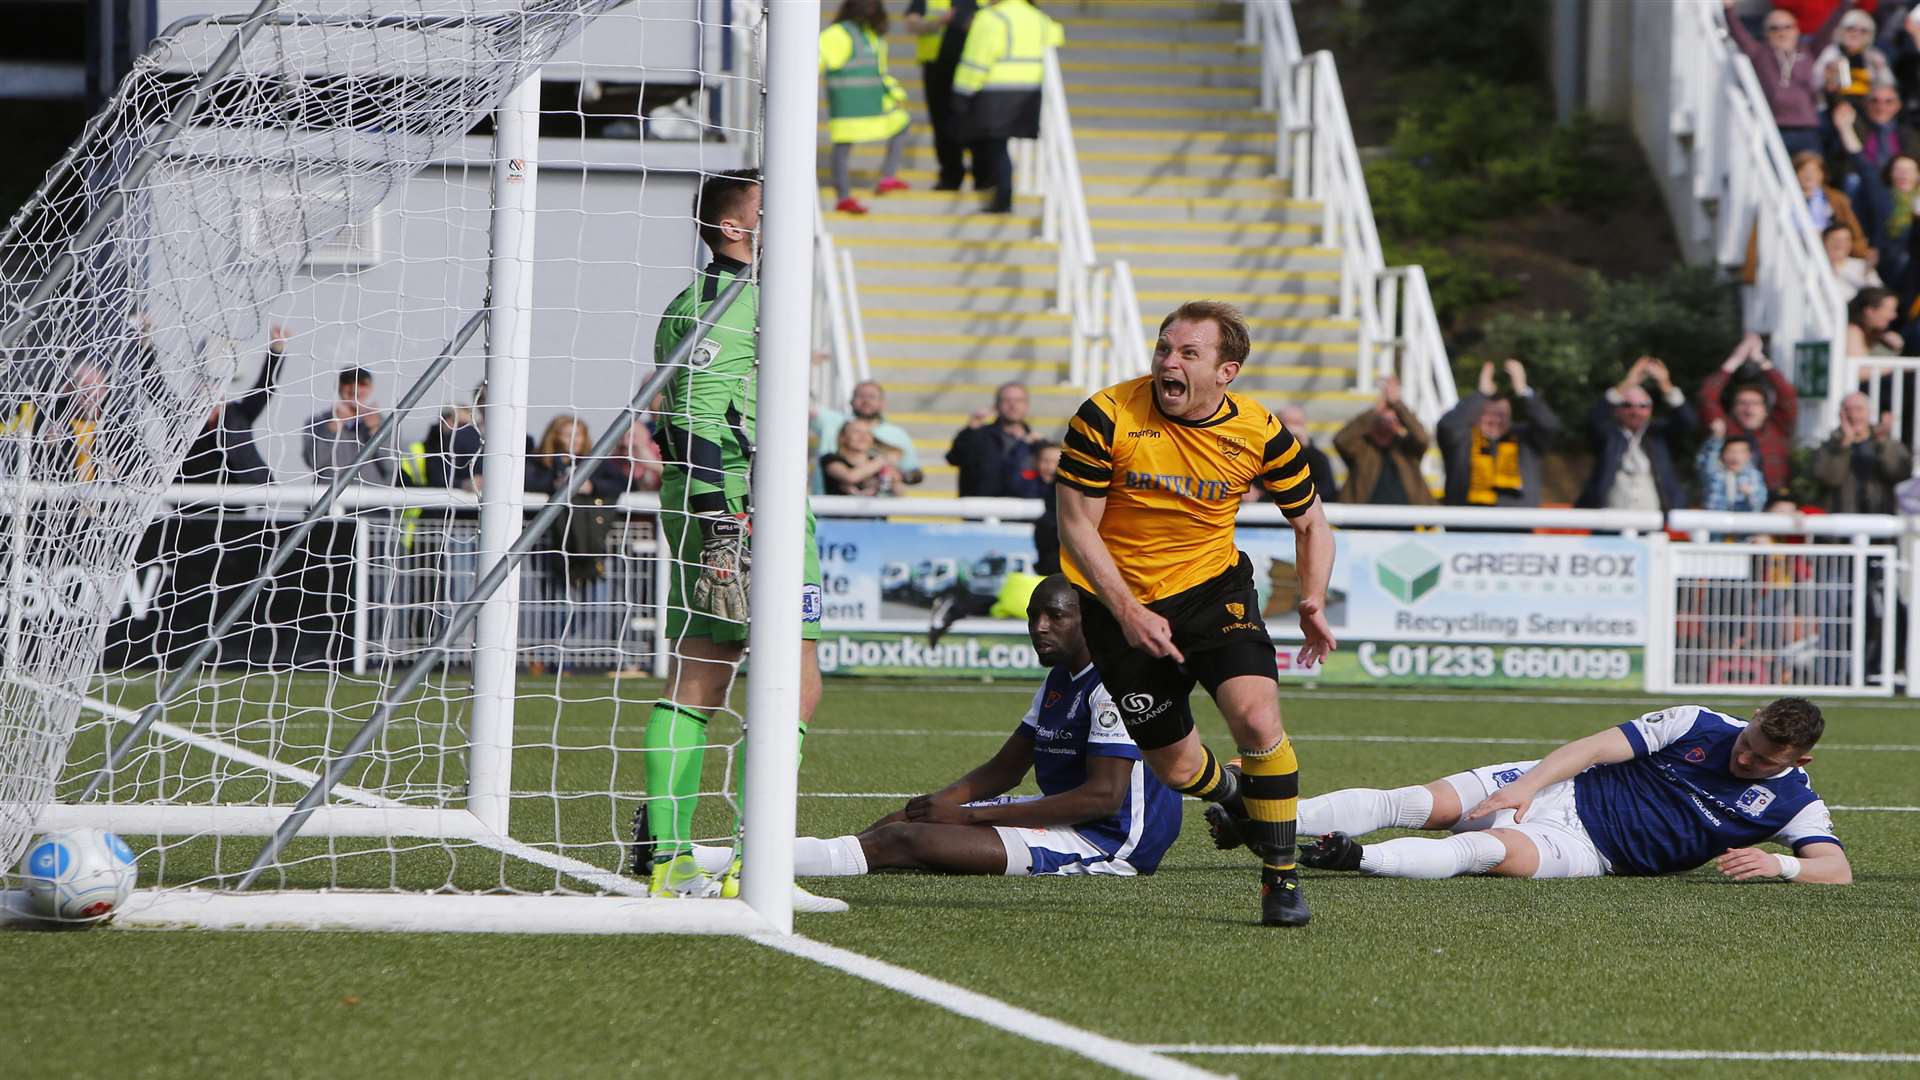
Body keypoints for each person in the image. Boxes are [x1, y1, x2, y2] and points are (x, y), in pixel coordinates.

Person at [1056, 299, 1336, 927]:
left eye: (1188, 353)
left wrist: (1313, 598)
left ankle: (1280, 879)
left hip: (1212, 591)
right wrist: (1127, 609)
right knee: (1177, 767)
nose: (1168, 363)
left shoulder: (1260, 431)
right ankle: (1236, 795)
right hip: (1115, 603)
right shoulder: (1106, 416)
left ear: (1226, 372)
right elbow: (1076, 525)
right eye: (1163, 348)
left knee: (1258, 720)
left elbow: (1313, 522)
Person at [640, 576, 1181, 880]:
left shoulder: (1114, 681)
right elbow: (1007, 766)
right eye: (1033, 616)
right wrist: (942, 802)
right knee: (903, 820)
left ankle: (716, 865)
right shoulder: (1063, 678)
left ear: (1090, 621)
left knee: (904, 838)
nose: (1039, 627)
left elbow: (1103, 799)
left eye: (1055, 617)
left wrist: (962, 816)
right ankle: (696, 856)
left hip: (1110, 844)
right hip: (1071, 822)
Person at [643, 169, 842, 912]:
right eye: (768, 211)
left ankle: (668, 856)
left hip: (735, 500)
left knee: (702, 674)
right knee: (794, 674)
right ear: (733, 228)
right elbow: (690, 412)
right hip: (744, 504)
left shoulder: (706, 300)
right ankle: (750, 865)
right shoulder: (728, 304)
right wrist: (720, 521)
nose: (783, 221)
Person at [1276, 699, 1849, 886]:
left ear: (1799, 760)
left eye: (1760, 760)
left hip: (1590, 853)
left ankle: (1357, 858)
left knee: (1491, 850)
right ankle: (1270, 817)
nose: (1742, 758)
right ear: (1750, 719)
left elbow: (1836, 869)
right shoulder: (1698, 723)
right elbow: (1594, 748)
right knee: (1416, 802)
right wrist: (1526, 785)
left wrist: (1781, 866)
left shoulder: (1797, 801)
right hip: (1560, 789)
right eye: (1746, 742)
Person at [950, 0, 1063, 213]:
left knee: (994, 144)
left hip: (995, 90)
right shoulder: (1037, 17)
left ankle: (1002, 195)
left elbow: (976, 59)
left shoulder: (990, 18)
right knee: (998, 144)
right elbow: (1057, 35)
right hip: (1029, 89)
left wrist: (962, 91)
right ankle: (1000, 192)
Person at [1723, 0, 1853, 156]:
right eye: (1774, 28)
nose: (1782, 32)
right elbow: (1739, 34)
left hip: (1807, 129)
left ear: (1797, 30)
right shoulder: (1760, 54)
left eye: (1787, 27)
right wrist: (1728, 9)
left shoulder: (1809, 51)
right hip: (1774, 128)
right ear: (1766, 33)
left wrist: (1846, 4)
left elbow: (1829, 28)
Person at [819, 0, 911, 215]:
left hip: (867, 104)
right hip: (850, 105)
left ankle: (883, 179)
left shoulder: (869, 35)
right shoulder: (840, 35)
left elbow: (878, 73)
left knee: (901, 124)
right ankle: (845, 195)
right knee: (843, 148)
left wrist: (895, 94)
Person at [1575, 356, 1697, 513]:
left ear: (1651, 409)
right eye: (1627, 405)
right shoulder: (1608, 434)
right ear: (1617, 410)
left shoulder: (1658, 434)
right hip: (1610, 519)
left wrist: (1666, 385)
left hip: (1652, 519)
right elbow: (1594, 418)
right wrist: (1628, 383)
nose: (1636, 411)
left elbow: (1688, 422)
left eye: (1643, 406)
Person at [1436, 359, 1560, 508]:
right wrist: (1481, 394)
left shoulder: (1526, 439)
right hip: (1467, 525)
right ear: (1476, 415)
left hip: (1517, 526)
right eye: (1489, 414)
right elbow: (1448, 425)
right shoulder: (1462, 440)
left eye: (1502, 415)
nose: (1495, 420)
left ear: (1511, 416)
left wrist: (1523, 390)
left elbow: (1548, 425)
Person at [179, 324, 286, 485]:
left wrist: (276, 350)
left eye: (216, 384)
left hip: (231, 502)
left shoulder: (237, 415)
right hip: (188, 503)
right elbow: (156, 388)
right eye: (205, 383)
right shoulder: (182, 418)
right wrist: (144, 346)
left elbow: (265, 388)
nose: (210, 392)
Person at [1699, 332, 1800, 491]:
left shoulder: (1778, 428)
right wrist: (1736, 359)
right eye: (1742, 403)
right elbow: (1707, 396)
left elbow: (1787, 394)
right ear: (1734, 408)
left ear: (1765, 410)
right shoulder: (1725, 430)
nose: (1748, 408)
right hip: (1734, 505)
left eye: (1754, 403)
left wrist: (1760, 359)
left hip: (1773, 502)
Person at [903, 0, 981, 192]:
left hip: (974, 68)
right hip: (938, 67)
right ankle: (951, 176)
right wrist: (939, 21)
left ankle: (983, 175)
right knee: (942, 123)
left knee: (976, 123)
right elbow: (911, 23)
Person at [1332, 374, 1433, 506]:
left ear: (1400, 424)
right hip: (1364, 520)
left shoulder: (1407, 448)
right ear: (1374, 422)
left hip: (1408, 521)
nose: (1389, 423)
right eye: (1384, 419)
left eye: (1394, 419)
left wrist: (1398, 405)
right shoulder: (1362, 447)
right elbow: (1341, 439)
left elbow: (1422, 438)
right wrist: (1376, 411)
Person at [813, 380, 923, 493]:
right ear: (842, 436)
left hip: (875, 508)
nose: (866, 401)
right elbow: (851, 477)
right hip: (823, 506)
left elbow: (914, 474)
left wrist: (897, 477)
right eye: (860, 396)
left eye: (872, 396)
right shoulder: (832, 423)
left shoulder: (897, 435)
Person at [1812, 390, 1913, 512]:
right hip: (1840, 523)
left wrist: (1884, 443)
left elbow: (1900, 472)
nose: (1853, 415)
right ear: (1840, 414)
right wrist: (1844, 444)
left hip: (1879, 520)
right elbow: (1831, 479)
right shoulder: (1829, 446)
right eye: (1848, 410)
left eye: (1859, 409)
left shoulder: (1884, 442)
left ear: (1869, 412)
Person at [302, 367, 395, 485]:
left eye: (362, 383)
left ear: (371, 388)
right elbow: (313, 462)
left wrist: (376, 430)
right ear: (338, 386)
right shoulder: (318, 422)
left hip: (372, 501)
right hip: (330, 500)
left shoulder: (388, 424)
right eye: (348, 382)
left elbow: (392, 467)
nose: (355, 389)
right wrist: (332, 428)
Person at [946, 381, 1038, 496]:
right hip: (981, 509)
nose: (1013, 406)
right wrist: (971, 430)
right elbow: (953, 459)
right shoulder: (977, 435)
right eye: (1007, 400)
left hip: (1023, 510)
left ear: (1027, 406)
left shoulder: (1036, 443)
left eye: (1019, 400)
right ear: (996, 406)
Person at [1816, 8, 1894, 110]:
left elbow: (1887, 86)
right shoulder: (1830, 53)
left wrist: (1879, 71)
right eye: (1850, 28)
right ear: (1840, 30)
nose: (1856, 34)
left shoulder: (1875, 56)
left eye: (1863, 31)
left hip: (1868, 106)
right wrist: (1827, 78)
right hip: (1834, 104)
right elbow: (1815, 82)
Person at [1698, 420, 1771, 513]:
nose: (1735, 456)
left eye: (1741, 452)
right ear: (1722, 455)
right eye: (1731, 451)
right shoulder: (1714, 472)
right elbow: (1706, 458)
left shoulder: (1754, 476)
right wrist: (1716, 438)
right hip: (1715, 523)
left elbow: (1759, 505)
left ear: (1749, 456)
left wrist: (1750, 494)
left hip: (1743, 524)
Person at [819, 417, 899, 496]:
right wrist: (883, 460)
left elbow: (900, 493)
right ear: (842, 437)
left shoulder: (875, 462)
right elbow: (850, 477)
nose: (863, 436)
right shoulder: (830, 459)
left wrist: (895, 482)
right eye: (856, 432)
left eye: (868, 433)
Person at [1276, 403, 1336, 505]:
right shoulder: (1263, 453)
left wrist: (1307, 448)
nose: (1292, 429)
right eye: (1287, 423)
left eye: (1297, 423)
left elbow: (1327, 490)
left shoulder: (1318, 457)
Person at [1825, 220, 1884, 295]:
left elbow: (1878, 296)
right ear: (1825, 242)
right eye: (1835, 240)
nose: (1840, 244)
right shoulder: (1815, 266)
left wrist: (1867, 273)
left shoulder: (1862, 266)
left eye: (1846, 240)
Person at [1030, 439, 1061, 574]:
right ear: (1036, 462)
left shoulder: (1067, 491)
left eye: (1056, 462)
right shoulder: (1025, 483)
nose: (1050, 467)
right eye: (1045, 461)